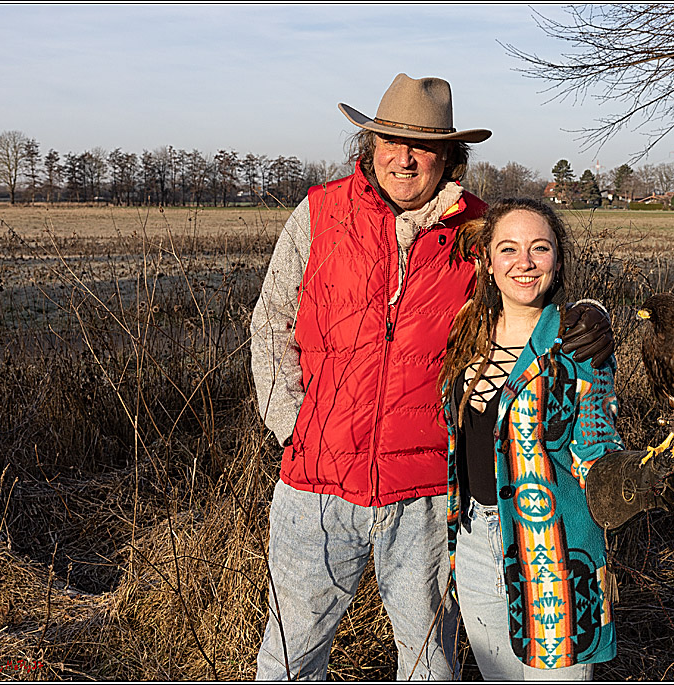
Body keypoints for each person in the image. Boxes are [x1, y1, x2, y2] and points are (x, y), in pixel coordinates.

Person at [250, 74, 614, 680]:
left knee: (429, 666)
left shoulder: (475, 230)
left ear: (449, 155)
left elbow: (529, 290)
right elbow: (270, 325)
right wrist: (296, 428)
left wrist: (594, 320)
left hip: (425, 495)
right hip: (314, 489)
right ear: (369, 145)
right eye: (391, 140)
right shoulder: (320, 214)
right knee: (288, 660)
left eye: (422, 145)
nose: (404, 157)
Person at [438, 198, 624, 680]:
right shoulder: (466, 333)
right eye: (509, 249)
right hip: (476, 543)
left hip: (554, 553)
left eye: (540, 249)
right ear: (487, 261)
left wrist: (630, 479)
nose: (524, 263)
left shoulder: (580, 343)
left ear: (558, 261)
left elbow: (598, 445)